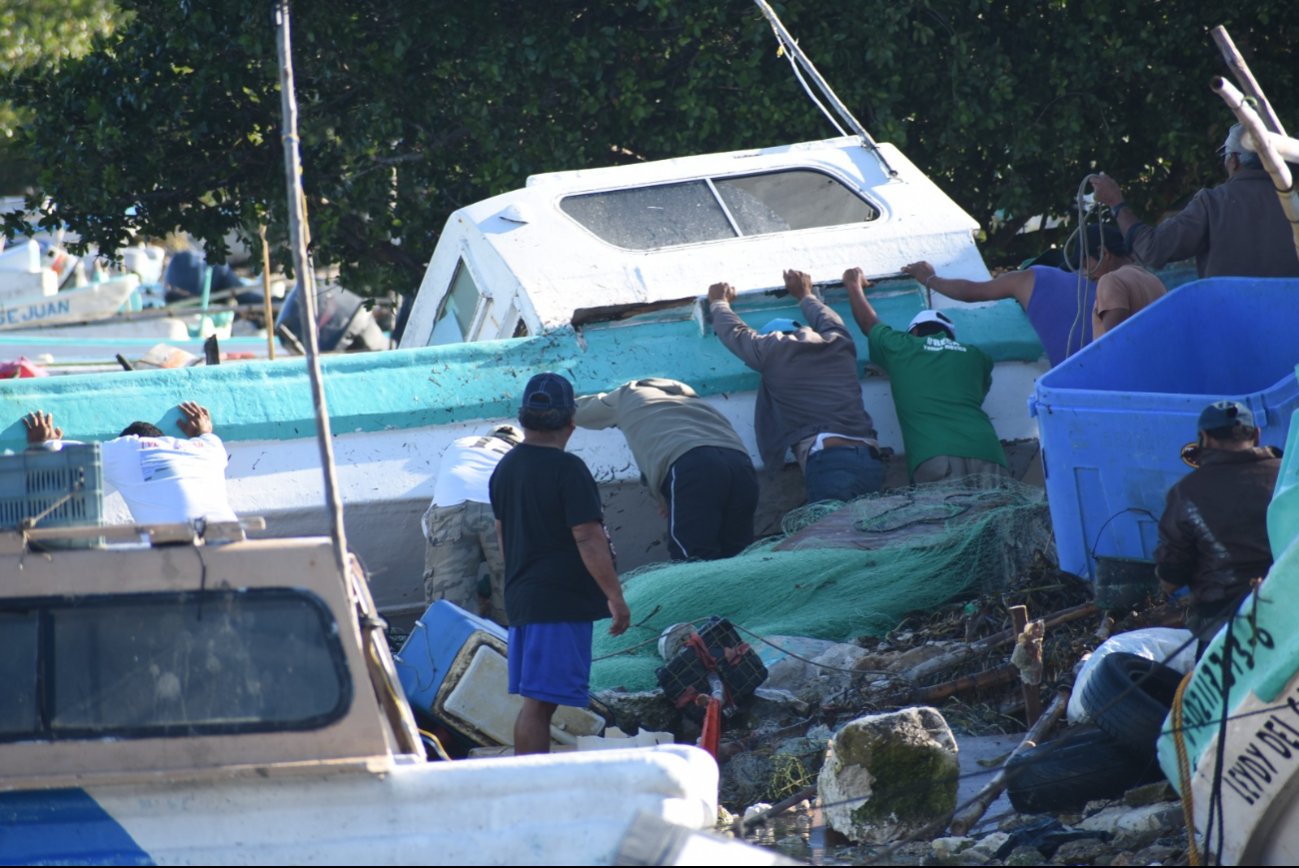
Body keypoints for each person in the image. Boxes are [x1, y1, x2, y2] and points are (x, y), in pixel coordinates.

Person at [489, 372, 630, 755]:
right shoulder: (569, 470)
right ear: (571, 421)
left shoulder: (504, 469)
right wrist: (614, 596)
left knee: (537, 701)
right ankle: (533, 783)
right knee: (539, 704)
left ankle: (531, 778)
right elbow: (587, 536)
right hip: (556, 603)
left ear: (523, 419)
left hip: (526, 598)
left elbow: (502, 536)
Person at [708, 270, 884, 504]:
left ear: (771, 335)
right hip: (871, 459)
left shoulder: (773, 349)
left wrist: (718, 302)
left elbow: (735, 334)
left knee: (833, 536)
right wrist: (805, 294)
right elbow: (828, 319)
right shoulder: (839, 342)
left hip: (831, 462)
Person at [841, 267, 1009, 487]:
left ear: (915, 332)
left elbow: (868, 324)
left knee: (950, 520)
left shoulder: (902, 347)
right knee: (999, 518)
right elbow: (973, 391)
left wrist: (852, 284)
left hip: (935, 454)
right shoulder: (977, 357)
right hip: (988, 451)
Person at [574, 378, 758, 561]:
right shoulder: (694, 401)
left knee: (692, 555)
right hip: (741, 465)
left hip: (693, 463)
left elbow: (576, 411)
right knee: (740, 553)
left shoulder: (627, 394)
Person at [1090, 124, 1299, 279]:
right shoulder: (1294, 202)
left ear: (1233, 160)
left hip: (1230, 326)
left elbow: (1152, 250)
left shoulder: (1213, 203)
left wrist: (1116, 202)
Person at [1155, 400, 1282, 647]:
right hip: (1290, 608)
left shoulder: (1186, 493)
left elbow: (1171, 578)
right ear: (1257, 434)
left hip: (1223, 627)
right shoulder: (1289, 474)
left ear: (1204, 438)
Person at [22, 402, 237, 525]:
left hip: (180, 547)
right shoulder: (210, 448)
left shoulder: (128, 447)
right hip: (233, 536)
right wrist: (201, 429)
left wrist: (44, 443)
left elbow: (57, 452)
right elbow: (206, 432)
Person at [901, 259, 1097, 367]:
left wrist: (930, 279)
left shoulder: (1030, 277)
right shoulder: (1103, 285)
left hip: (1074, 380)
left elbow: (972, 292)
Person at [421, 424, 522, 624]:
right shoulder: (520, 455)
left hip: (450, 506)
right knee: (513, 590)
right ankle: (508, 641)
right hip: (499, 506)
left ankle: (453, 641)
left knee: (448, 609)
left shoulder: (460, 444)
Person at [1072, 223, 1167, 338]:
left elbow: (1113, 342)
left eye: (1086, 265)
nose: (1085, 274)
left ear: (1103, 253)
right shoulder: (1151, 278)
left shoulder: (1110, 280)